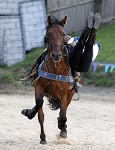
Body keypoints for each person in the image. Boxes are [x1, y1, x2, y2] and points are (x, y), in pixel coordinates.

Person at [29, 12, 102, 90]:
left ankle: (88, 30)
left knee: (81, 45)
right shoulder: (69, 42)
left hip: (80, 60)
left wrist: (68, 41)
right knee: (87, 45)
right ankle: (92, 31)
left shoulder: (69, 43)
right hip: (88, 55)